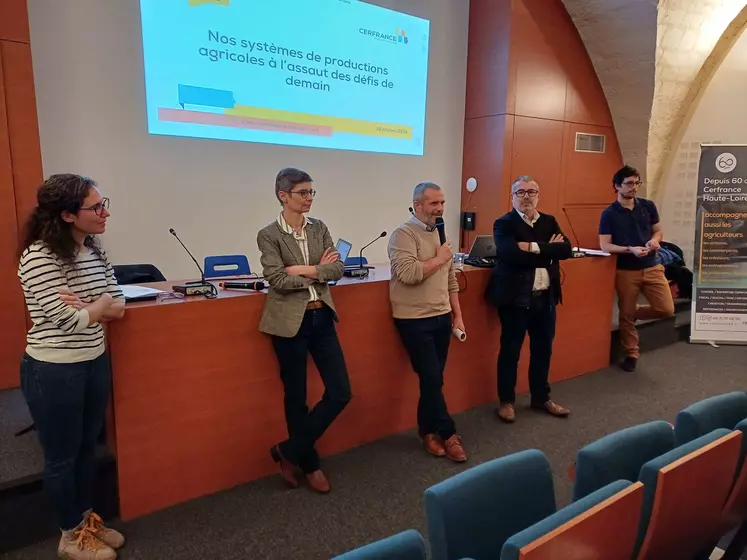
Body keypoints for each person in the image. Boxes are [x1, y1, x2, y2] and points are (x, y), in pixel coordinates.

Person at [17, 174, 126, 560]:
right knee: (62, 456)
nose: (104, 212)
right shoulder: (39, 257)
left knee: (85, 450)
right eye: (95, 207)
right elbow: (68, 321)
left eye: (103, 202)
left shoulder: (93, 249)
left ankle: (85, 521)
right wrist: (94, 307)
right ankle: (69, 535)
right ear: (66, 214)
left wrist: (87, 304)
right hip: (54, 371)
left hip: (93, 362)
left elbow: (119, 303)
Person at [257, 167, 352, 494]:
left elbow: (337, 268)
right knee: (296, 397)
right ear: (283, 196)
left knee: (341, 391)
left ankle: (288, 450)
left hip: (322, 316)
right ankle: (309, 463)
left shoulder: (319, 228)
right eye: (303, 193)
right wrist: (317, 272)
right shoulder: (269, 234)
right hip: (288, 323)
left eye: (312, 192)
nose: (309, 198)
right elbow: (278, 280)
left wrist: (303, 269)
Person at [388, 182, 467, 462]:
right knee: (432, 378)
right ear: (417, 205)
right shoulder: (403, 235)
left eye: (442, 203)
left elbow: (450, 280)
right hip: (413, 319)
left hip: (441, 316)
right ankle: (448, 433)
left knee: (432, 381)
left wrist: (457, 316)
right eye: (434, 204)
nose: (441, 209)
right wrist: (440, 258)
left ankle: (427, 431)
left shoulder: (441, 234)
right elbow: (409, 274)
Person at [485, 176, 572, 423]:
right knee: (510, 351)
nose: (526, 196)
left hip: (546, 297)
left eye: (531, 191)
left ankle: (541, 398)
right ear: (512, 197)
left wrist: (532, 247)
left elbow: (565, 250)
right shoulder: (504, 223)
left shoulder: (549, 221)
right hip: (515, 298)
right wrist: (548, 250)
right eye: (520, 192)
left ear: (538, 195)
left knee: (543, 349)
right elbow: (511, 255)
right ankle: (506, 402)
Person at [599, 165, 675, 372]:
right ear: (617, 186)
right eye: (629, 183)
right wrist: (628, 249)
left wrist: (654, 241)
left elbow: (658, 231)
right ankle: (631, 354)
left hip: (653, 265)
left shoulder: (648, 206)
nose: (634, 187)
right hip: (626, 270)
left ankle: (633, 313)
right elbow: (604, 245)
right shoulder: (609, 214)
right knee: (624, 315)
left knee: (666, 309)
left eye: (637, 183)